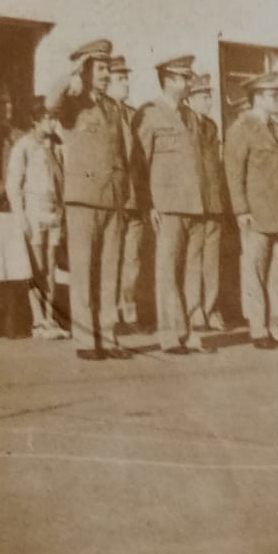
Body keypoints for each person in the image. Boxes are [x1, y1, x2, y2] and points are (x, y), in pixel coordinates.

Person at [52, 39, 132, 360]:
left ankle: (108, 337)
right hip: (83, 200)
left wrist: (123, 193)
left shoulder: (112, 106)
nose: (106, 74)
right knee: (83, 272)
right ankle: (86, 341)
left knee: (109, 272)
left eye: (107, 68)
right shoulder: (73, 103)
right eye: (100, 68)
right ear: (85, 70)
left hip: (112, 199)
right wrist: (72, 75)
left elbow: (120, 153)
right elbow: (51, 102)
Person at [134, 54, 209, 355]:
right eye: (184, 78)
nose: (190, 82)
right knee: (166, 272)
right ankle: (169, 335)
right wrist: (147, 204)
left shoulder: (191, 116)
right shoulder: (150, 114)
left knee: (192, 272)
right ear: (168, 80)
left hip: (195, 205)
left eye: (189, 77)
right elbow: (139, 164)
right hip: (167, 205)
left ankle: (190, 333)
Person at [224, 72, 278, 349]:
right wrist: (241, 210)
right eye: (273, 95)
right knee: (254, 274)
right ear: (258, 97)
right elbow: (234, 172)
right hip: (256, 214)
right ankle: (258, 330)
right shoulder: (242, 128)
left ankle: (275, 327)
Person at [6, 97, 67, 339]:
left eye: (55, 119)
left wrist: (63, 213)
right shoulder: (24, 146)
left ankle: (50, 318)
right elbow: (13, 184)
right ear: (36, 120)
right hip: (33, 210)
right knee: (37, 266)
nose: (53, 123)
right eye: (49, 119)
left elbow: (62, 180)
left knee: (51, 267)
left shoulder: (56, 146)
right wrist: (20, 216)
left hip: (54, 211)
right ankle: (38, 321)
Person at [107, 55, 147, 334]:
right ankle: (111, 316)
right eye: (120, 78)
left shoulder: (134, 116)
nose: (126, 83)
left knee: (132, 260)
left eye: (126, 78)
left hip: (134, 199)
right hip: (112, 199)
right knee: (111, 259)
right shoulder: (102, 113)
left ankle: (129, 314)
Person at [184, 73, 226, 331]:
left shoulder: (211, 126)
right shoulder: (184, 123)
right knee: (193, 259)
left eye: (209, 96)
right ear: (189, 100)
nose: (208, 101)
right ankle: (194, 310)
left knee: (211, 261)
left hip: (213, 203)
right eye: (202, 96)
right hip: (193, 203)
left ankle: (210, 309)